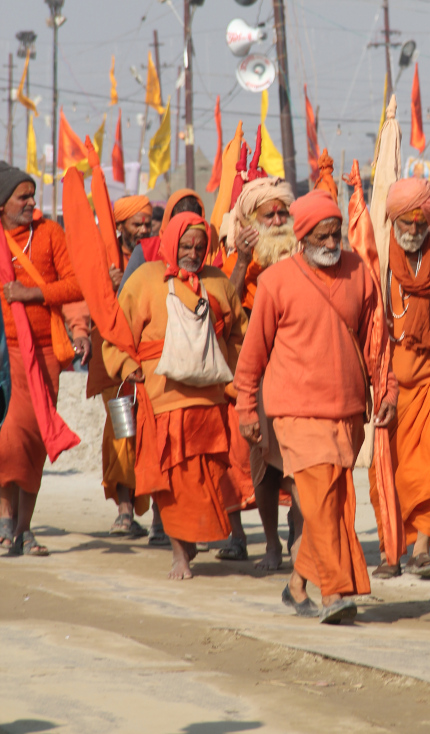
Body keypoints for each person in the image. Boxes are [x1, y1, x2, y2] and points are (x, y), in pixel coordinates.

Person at [234, 189, 398, 623]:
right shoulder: (275, 281)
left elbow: (377, 342)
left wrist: (388, 391)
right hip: (294, 412)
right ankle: (334, 592)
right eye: (322, 236)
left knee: (334, 502)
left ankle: (297, 585)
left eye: (336, 234)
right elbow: (251, 356)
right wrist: (247, 410)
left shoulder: (358, 273)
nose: (331, 244)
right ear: (302, 236)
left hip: (347, 410)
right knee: (319, 504)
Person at [103, 212, 248, 579]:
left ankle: (194, 537)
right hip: (161, 400)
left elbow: (240, 336)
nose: (193, 253)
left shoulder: (218, 283)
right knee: (168, 482)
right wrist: (125, 366)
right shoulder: (145, 279)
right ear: (171, 243)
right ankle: (180, 554)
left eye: (200, 247)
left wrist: (228, 370)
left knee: (211, 478)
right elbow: (117, 336)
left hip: (210, 403)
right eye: (185, 245)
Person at [367, 178, 430, 580]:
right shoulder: (378, 258)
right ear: (393, 220)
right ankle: (393, 549)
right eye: (405, 224)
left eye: (420, 225)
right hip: (388, 381)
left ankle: (422, 548)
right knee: (389, 467)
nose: (412, 232)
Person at [0, 162, 84, 555]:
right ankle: (5, 518)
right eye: (23, 197)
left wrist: (32, 294)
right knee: (8, 436)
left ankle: (23, 528)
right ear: (3, 204)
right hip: (5, 353)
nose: (31, 202)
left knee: (34, 438)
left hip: (45, 352)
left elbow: (75, 282)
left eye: (32, 195)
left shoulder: (49, 233)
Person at [219, 175, 300, 566]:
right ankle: (271, 543)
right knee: (262, 464)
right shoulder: (237, 259)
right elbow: (225, 308)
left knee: (303, 461)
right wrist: (244, 260)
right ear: (250, 220)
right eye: (270, 213)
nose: (279, 219)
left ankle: (299, 535)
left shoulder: (305, 253)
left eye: (284, 211)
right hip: (257, 377)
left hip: (302, 373)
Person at [88, 195, 153, 536]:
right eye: (136, 224)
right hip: (114, 357)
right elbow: (85, 294)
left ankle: (162, 517)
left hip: (150, 355)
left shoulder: (158, 252)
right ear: (120, 227)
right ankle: (125, 511)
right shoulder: (104, 258)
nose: (143, 230)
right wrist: (108, 287)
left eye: (147, 223)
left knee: (155, 431)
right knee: (122, 429)